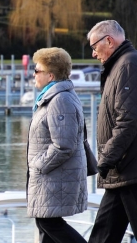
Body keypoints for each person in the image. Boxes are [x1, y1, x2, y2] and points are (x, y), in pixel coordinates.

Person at [27, 47, 88, 243]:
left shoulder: (60, 100)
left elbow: (63, 145)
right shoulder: (51, 97)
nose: (34, 74)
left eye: (37, 71)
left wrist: (38, 165)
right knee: (44, 226)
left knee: (49, 224)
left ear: (50, 75)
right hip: (49, 178)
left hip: (52, 177)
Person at [87, 20, 137, 243]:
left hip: (129, 170)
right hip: (121, 171)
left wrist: (105, 160)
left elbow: (128, 121)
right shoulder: (119, 66)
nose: (94, 54)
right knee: (102, 236)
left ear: (109, 40)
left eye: (94, 47)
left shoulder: (128, 65)